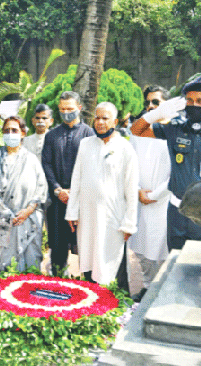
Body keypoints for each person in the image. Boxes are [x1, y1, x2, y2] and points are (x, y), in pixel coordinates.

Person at [131, 68, 201, 251]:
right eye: (189, 100)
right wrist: (156, 114)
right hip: (176, 214)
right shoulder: (175, 129)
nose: (194, 105)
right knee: (175, 266)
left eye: (200, 101)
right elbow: (136, 130)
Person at [65, 102, 139, 290]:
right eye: (97, 118)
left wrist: (130, 222)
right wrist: (72, 212)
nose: (99, 122)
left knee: (113, 264)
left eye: (104, 118)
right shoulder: (85, 144)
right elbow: (76, 179)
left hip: (113, 219)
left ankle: (120, 309)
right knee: (89, 259)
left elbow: (131, 189)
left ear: (114, 121)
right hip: (87, 217)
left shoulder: (125, 148)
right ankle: (92, 303)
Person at [127, 85, 181, 301]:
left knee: (164, 251)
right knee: (141, 250)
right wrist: (138, 191)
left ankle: (165, 292)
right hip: (140, 201)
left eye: (156, 103)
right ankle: (148, 288)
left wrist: (155, 195)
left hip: (164, 202)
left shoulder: (177, 132)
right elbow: (128, 165)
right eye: (148, 102)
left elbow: (179, 171)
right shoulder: (139, 133)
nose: (150, 106)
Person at [0, 116, 48, 273]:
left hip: (27, 220)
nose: (10, 133)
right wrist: (7, 215)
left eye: (14, 130)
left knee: (29, 268)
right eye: (7, 131)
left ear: (23, 133)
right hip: (1, 222)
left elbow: (41, 188)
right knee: (0, 271)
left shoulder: (31, 160)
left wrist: (27, 211)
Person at [41, 91, 94, 275]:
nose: (66, 112)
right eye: (62, 109)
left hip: (83, 202)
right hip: (57, 201)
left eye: (70, 109)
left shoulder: (90, 135)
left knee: (86, 246)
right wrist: (57, 190)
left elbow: (93, 167)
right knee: (57, 247)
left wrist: (76, 192)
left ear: (79, 108)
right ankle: (58, 284)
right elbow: (46, 164)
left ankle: (89, 286)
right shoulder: (51, 136)